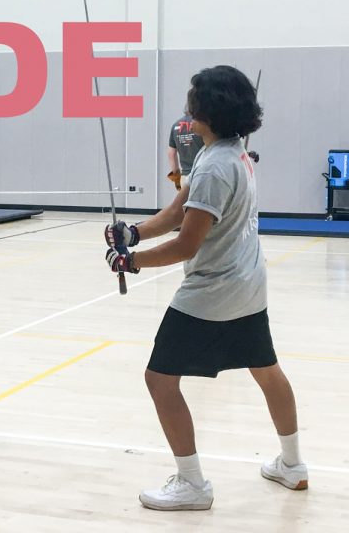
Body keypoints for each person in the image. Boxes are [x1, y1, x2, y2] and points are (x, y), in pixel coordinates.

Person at [104, 65, 307, 510]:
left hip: (214, 290)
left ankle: (193, 483)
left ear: (207, 111)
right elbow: (179, 211)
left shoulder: (214, 166)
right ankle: (292, 465)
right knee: (266, 369)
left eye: (193, 104)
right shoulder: (231, 153)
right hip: (248, 283)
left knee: (159, 379)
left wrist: (130, 261)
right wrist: (133, 233)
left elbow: (187, 242)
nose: (188, 112)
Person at [167, 114, 203, 190]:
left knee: (185, 201)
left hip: (185, 178)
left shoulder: (175, 125)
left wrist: (177, 180)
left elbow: (171, 154)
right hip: (202, 175)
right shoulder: (202, 124)